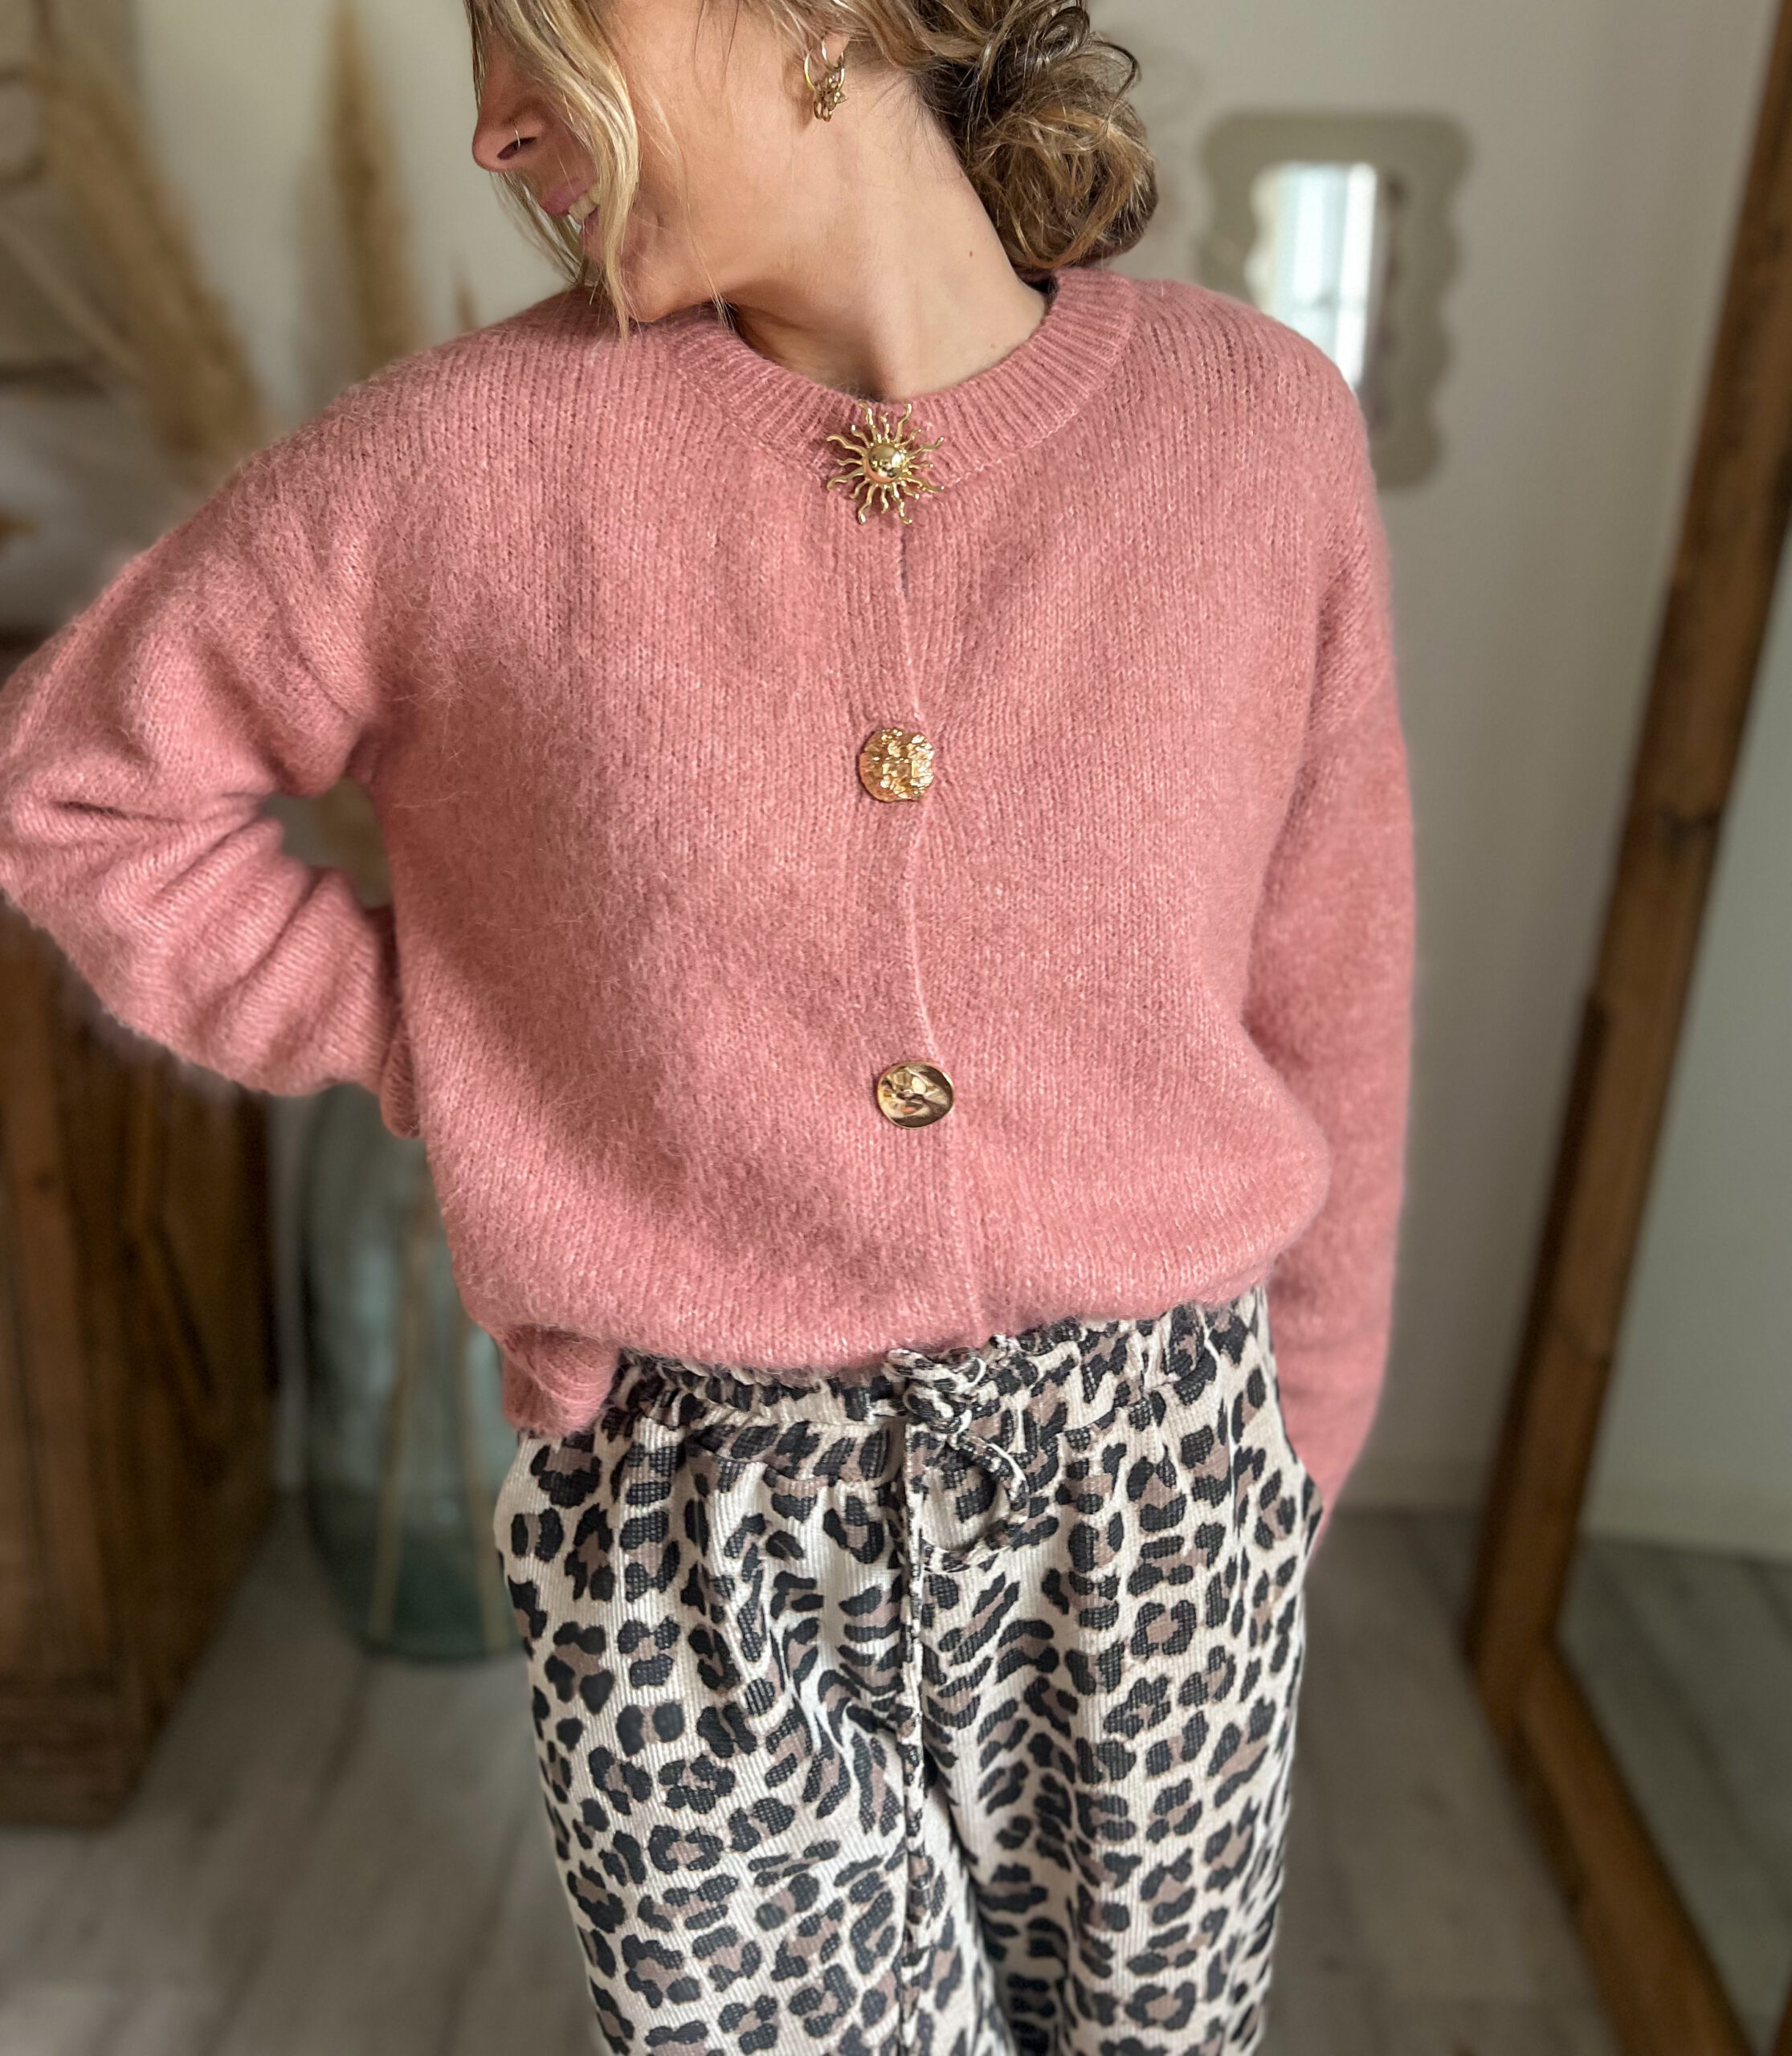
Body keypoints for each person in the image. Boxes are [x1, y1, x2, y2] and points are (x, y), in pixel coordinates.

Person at [0, 0, 1417, 2048]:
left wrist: (1303, 1436)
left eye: (531, 25)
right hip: (694, 1531)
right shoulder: (458, 465)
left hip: (1169, 1493)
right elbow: (80, 795)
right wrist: (467, 1049)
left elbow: (1333, 976)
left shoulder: (1255, 432)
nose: (492, 127)